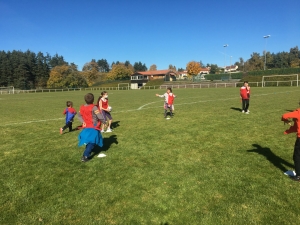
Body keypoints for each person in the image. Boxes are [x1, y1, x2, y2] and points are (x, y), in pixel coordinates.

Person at [78, 93, 106, 162]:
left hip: (86, 126)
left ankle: (91, 149)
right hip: (93, 126)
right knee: (92, 141)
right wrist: (104, 122)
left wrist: (83, 122)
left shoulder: (82, 107)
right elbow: (99, 116)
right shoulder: (94, 107)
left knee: (92, 139)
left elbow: (79, 115)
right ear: (93, 100)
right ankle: (85, 156)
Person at [282, 106, 300, 181]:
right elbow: (296, 126)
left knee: (297, 156)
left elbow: (284, 116)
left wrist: (285, 120)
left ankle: (298, 176)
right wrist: (287, 131)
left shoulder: (298, 112)